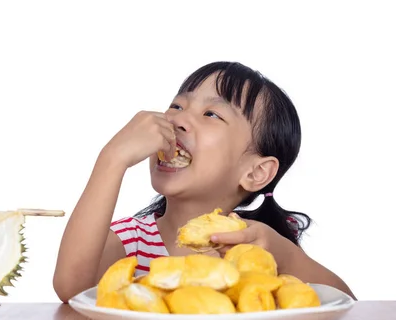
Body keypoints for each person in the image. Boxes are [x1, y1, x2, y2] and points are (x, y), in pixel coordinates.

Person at [53, 61, 356, 302]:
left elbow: (347, 307)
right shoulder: (132, 242)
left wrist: (287, 256)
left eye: (211, 113)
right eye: (177, 106)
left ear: (255, 173)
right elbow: (71, 288)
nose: (177, 120)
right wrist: (112, 159)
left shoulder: (258, 252)